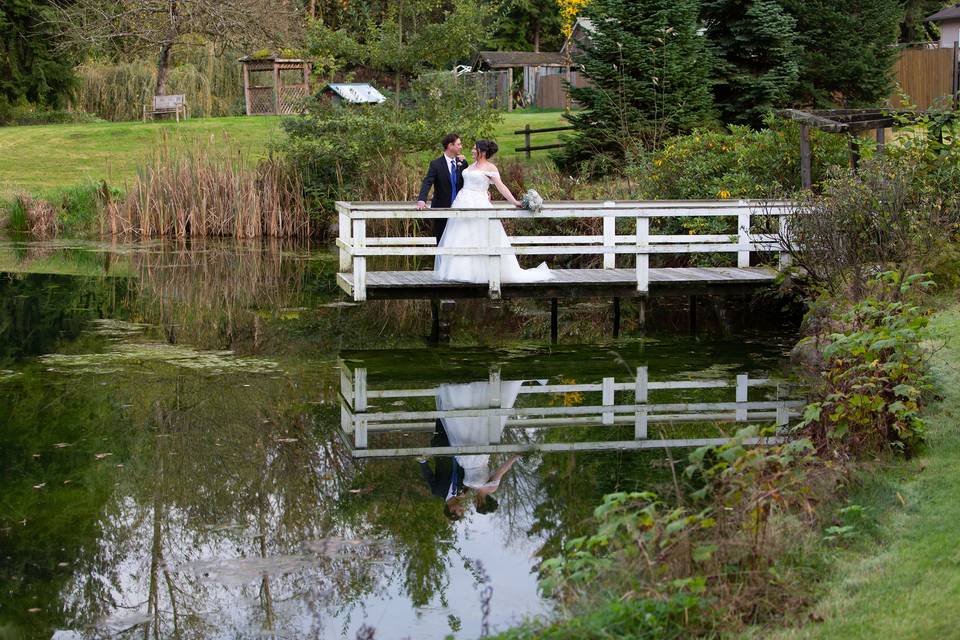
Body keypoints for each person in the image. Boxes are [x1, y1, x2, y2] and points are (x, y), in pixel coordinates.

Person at [435, 140, 552, 284]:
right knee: (460, 235)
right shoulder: (469, 166)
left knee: (480, 236)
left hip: (479, 203)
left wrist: (514, 202)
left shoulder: (490, 168)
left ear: (482, 151)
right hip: (463, 203)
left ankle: (482, 273)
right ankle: (459, 272)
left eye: (474, 149)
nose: (472, 151)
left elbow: (501, 186)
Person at [416, 133, 468, 244]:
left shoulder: (462, 163)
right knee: (441, 242)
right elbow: (427, 182)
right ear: (450, 146)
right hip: (441, 208)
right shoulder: (436, 164)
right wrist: (421, 200)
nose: (461, 147)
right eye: (458, 144)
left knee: (460, 242)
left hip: (460, 208)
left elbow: (469, 183)